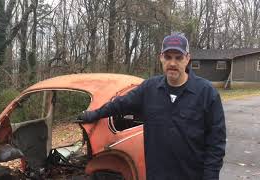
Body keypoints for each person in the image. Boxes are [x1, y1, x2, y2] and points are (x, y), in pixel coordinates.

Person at [78, 34, 226, 180]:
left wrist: (211, 176)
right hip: (157, 174)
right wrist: (95, 114)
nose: (172, 63)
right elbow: (120, 104)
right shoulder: (149, 89)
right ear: (161, 57)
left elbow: (216, 142)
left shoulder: (206, 93)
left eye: (178, 57)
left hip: (192, 175)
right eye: (168, 57)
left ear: (187, 59)